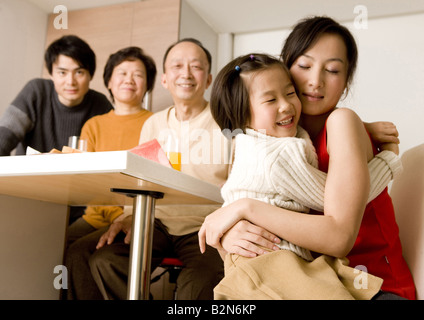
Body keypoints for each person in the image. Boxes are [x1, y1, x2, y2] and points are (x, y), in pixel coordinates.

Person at [199, 16, 415, 300]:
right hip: (311, 273)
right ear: (285, 67)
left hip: (367, 281)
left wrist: (245, 209)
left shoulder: (340, 122)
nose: (315, 81)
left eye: (333, 70)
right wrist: (229, 231)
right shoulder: (283, 136)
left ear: (347, 81)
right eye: (304, 65)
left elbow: (337, 233)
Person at [87, 38, 231, 300]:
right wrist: (128, 216)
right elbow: (140, 178)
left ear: (208, 80)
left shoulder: (226, 123)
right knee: (106, 260)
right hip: (157, 222)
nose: (185, 73)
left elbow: (241, 183)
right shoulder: (153, 124)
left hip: (206, 226)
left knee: (198, 284)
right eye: (177, 66)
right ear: (165, 79)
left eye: (195, 67)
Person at [64, 46, 156, 299]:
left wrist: (126, 214)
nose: (129, 79)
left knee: (78, 252)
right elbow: (84, 178)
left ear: (147, 85)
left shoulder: (156, 123)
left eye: (137, 74)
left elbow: (157, 177)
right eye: (122, 73)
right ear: (109, 82)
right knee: (49, 243)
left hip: (136, 215)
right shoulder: (94, 125)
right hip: (95, 215)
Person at [0, 35, 113, 156]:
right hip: (29, 173)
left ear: (90, 75)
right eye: (62, 72)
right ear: (51, 74)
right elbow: (3, 139)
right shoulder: (36, 91)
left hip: (76, 175)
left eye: (79, 72)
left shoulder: (100, 104)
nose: (70, 81)